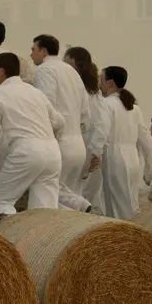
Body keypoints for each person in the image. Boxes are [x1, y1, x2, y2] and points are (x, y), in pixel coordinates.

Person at [0, 52, 65, 218]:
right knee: (44, 211)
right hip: (53, 152)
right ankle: (44, 242)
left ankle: (15, 237)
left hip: (26, 151)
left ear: (1, 71)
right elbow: (59, 122)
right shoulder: (35, 92)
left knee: (1, 200)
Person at [30, 34, 93, 212]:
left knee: (48, 193)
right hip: (78, 144)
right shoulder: (71, 71)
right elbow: (85, 112)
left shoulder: (45, 70)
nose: (31, 54)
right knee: (65, 192)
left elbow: (46, 107)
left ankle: (80, 205)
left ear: (43, 51)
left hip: (60, 142)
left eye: (33, 49)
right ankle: (80, 210)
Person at [97, 66, 152, 219]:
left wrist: (94, 154)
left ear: (110, 83)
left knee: (115, 204)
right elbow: (146, 140)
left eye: (101, 79)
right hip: (133, 160)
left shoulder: (106, 104)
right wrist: (151, 167)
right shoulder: (134, 108)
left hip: (114, 158)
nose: (99, 83)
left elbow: (101, 133)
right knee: (131, 202)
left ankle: (123, 237)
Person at [64, 46, 108, 213]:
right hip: (84, 149)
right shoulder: (90, 92)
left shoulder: (88, 93)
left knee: (73, 193)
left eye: (68, 64)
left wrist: (95, 152)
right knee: (78, 192)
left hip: (81, 148)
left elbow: (102, 124)